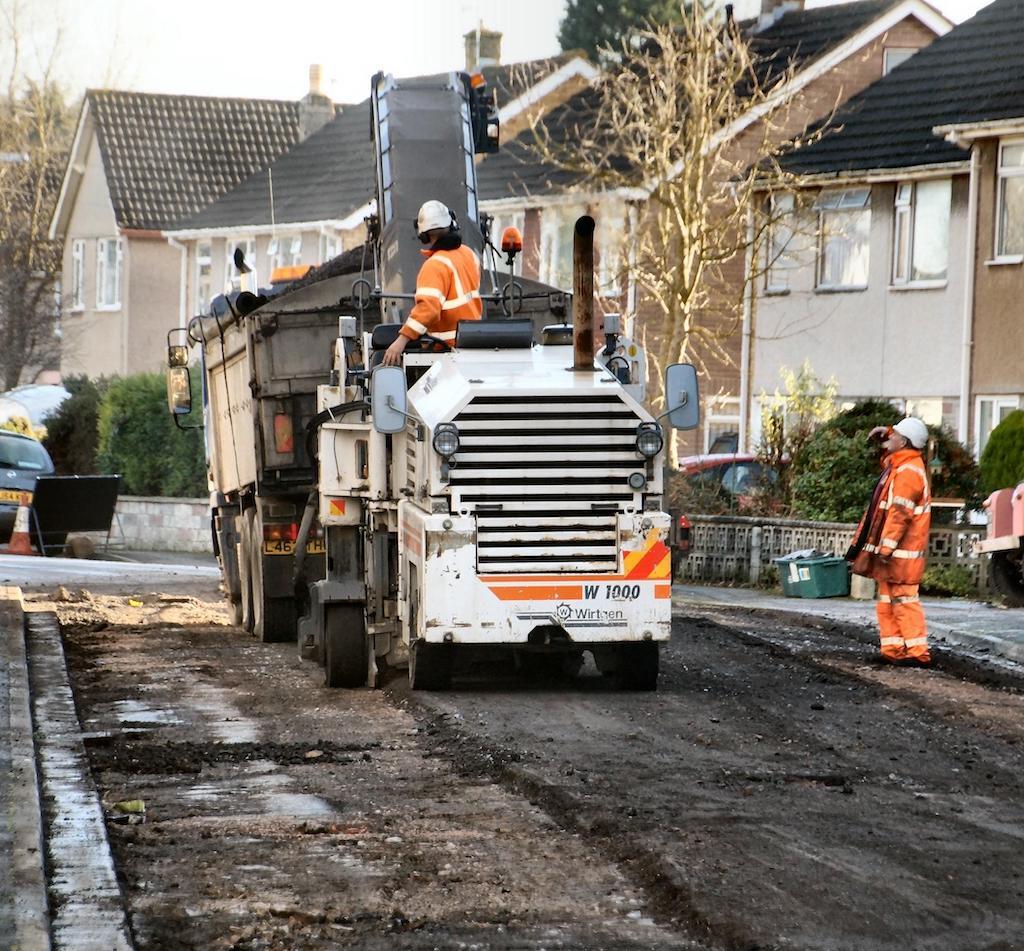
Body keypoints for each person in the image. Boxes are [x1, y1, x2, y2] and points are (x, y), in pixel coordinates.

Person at [846, 416, 932, 666]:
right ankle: (894, 650)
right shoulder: (902, 466)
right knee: (888, 602)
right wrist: (885, 433)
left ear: (904, 441)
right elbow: (888, 460)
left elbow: (899, 514)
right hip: (896, 553)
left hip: (900, 553)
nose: (888, 439)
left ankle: (918, 653)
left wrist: (886, 547)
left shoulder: (907, 472)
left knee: (905, 601)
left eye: (894, 435)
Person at [382, 200, 483, 366]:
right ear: (452, 224)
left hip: (448, 352)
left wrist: (401, 341)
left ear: (423, 235)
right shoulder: (468, 254)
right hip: (473, 345)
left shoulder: (434, 265)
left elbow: (428, 309)